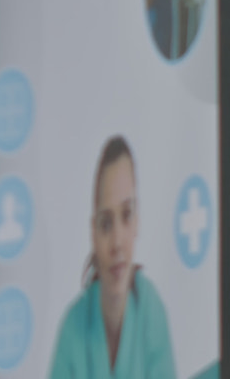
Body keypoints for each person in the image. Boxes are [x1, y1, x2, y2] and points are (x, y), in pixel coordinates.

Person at [49, 137, 176, 379]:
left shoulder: (151, 312)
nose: (117, 242)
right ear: (93, 234)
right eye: (106, 224)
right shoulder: (73, 330)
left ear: (137, 222)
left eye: (127, 215)